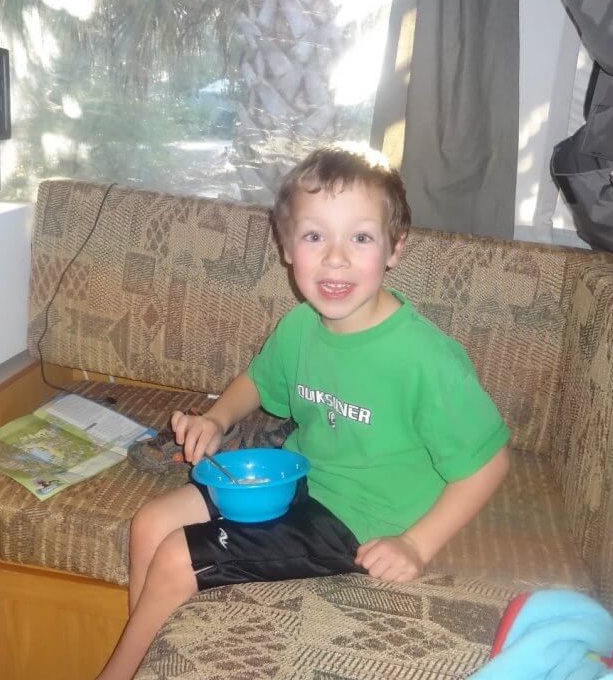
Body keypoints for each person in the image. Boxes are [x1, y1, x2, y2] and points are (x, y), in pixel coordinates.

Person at [96, 144, 511, 680]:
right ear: (288, 247)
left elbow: (489, 462)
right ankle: (152, 661)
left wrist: (415, 544)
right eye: (315, 236)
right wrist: (216, 420)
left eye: (360, 237)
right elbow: (259, 381)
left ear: (395, 249)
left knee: (179, 556)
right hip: (298, 481)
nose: (335, 257)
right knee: (151, 522)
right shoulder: (299, 327)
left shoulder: (426, 360)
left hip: (360, 519)